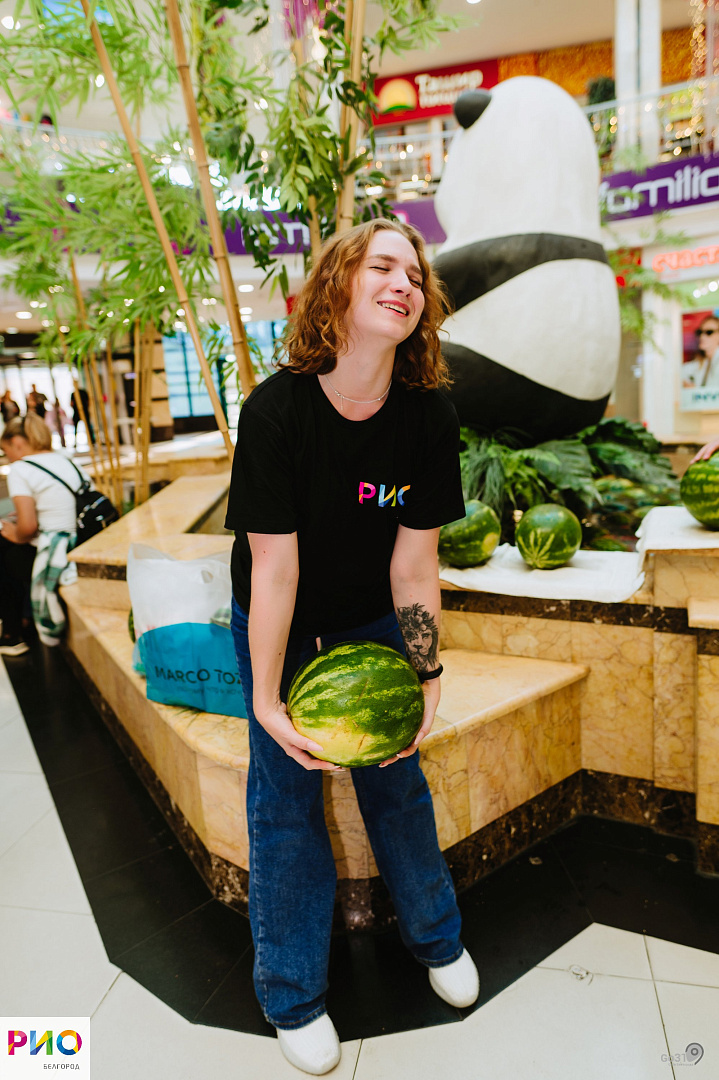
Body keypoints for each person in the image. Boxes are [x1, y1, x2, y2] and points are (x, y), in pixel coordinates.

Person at [226, 218, 479, 1076]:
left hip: (372, 614)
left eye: (414, 274)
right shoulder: (276, 410)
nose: (403, 282)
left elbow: (413, 565)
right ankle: (292, 995)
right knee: (284, 800)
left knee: (396, 784)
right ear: (336, 285)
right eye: (381, 266)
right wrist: (267, 702)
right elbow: (275, 572)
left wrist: (426, 669)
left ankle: (438, 939)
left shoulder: (427, 416)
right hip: (281, 618)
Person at [0, 413, 90, 653]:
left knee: (6, 551)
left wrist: (13, 533)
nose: (7, 456)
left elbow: (27, 528)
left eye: (5, 450)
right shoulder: (66, 459)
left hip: (58, 549)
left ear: (17, 443)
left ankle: (12, 633)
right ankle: (25, 617)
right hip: (83, 539)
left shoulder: (20, 468)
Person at [682, 314, 719, 388]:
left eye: (709, 332)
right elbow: (678, 371)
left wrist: (694, 389)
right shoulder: (702, 361)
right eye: (700, 332)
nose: (702, 336)